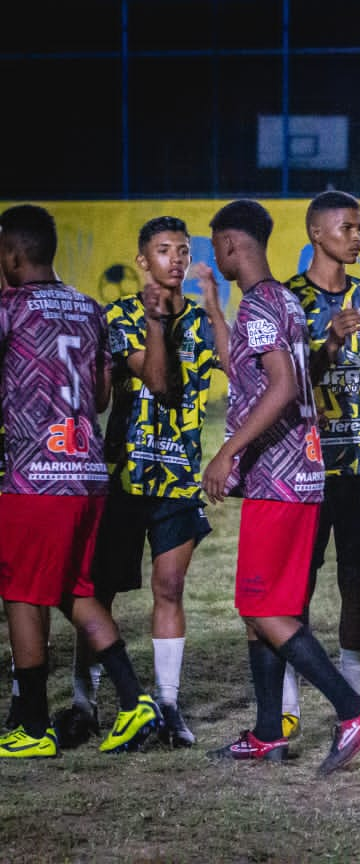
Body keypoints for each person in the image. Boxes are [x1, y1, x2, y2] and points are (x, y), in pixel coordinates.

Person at [197, 199, 360, 774]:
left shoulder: (262, 304)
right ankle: (265, 732)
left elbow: (278, 387)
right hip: (302, 472)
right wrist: (212, 309)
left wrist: (227, 451)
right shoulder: (280, 300)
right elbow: (249, 369)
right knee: (268, 606)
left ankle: (353, 710)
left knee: (261, 606)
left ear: (231, 245)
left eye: (215, 247)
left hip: (275, 477)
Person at [55, 216, 226, 751]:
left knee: (169, 588)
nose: (174, 259)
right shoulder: (122, 316)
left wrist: (216, 307)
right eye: (162, 250)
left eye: (181, 250)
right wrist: (154, 323)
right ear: (142, 261)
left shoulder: (199, 321)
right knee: (97, 589)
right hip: (123, 478)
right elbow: (157, 380)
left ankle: (168, 705)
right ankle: (85, 701)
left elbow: (238, 364)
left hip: (176, 478)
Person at [0, 204, 160, 758]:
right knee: (76, 590)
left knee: (21, 593)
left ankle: (32, 726)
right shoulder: (90, 308)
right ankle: (138, 702)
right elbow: (96, 397)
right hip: (88, 474)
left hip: (35, 476)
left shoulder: (9, 308)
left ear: (13, 255)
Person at [282, 191, 360, 739]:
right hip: (305, 465)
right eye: (348, 228)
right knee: (296, 583)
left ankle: (351, 698)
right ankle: (287, 702)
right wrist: (329, 342)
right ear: (316, 233)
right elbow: (285, 383)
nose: (358, 237)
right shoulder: (287, 301)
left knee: (355, 578)